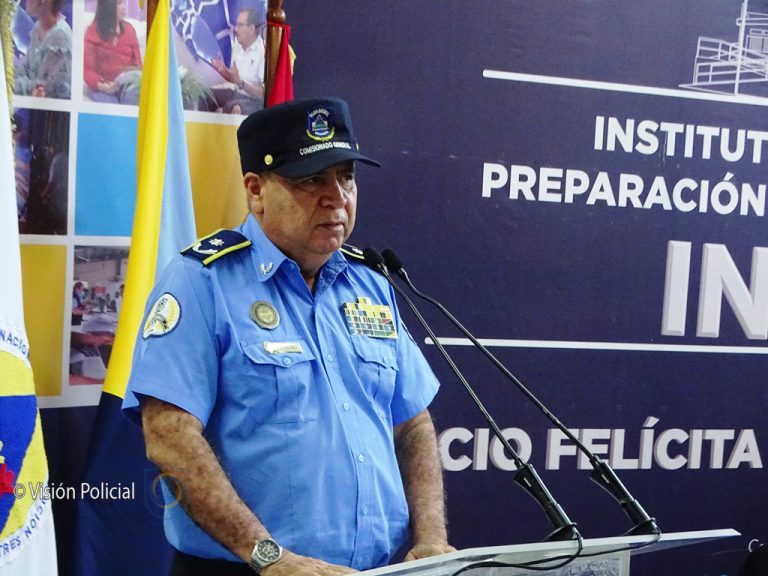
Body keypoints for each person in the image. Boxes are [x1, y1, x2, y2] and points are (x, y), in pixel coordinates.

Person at [123, 97, 454, 575]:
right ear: (256, 190)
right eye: (311, 180)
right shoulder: (201, 283)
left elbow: (412, 424)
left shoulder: (371, 284)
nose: (336, 197)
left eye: (346, 177)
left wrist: (432, 539)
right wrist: (268, 556)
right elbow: (169, 437)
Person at [83, 0, 143, 105]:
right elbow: (87, 70)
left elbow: (138, 65)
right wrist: (101, 85)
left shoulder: (130, 30)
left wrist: (127, 76)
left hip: (125, 84)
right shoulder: (92, 31)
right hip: (102, 85)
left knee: (133, 98)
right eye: (119, 4)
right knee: (111, 105)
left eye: (124, 3)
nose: (124, 7)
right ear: (107, 5)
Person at [211, 8, 265, 115]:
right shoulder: (237, 45)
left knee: (233, 107)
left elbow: (263, 94)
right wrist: (225, 72)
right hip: (235, 93)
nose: (235, 29)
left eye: (240, 25)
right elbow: (233, 80)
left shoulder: (263, 51)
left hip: (253, 101)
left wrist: (240, 82)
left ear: (251, 29)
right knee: (206, 95)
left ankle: (224, 110)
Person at [14, 0, 72, 99]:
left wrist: (14, 84)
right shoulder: (38, 28)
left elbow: (45, 88)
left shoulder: (59, 36)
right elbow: (26, 69)